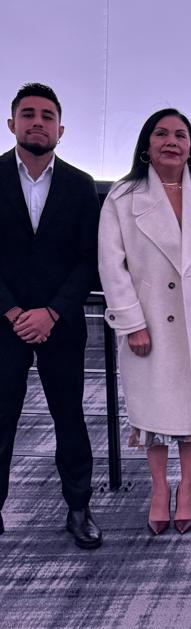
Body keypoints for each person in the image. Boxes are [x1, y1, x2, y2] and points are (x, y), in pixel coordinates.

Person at [98, 109, 191, 535]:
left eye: (181, 135)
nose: (172, 141)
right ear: (146, 144)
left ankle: (188, 486)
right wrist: (131, 323)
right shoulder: (123, 196)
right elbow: (111, 265)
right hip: (150, 326)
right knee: (153, 411)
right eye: (162, 134)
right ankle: (159, 487)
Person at [0, 83, 102, 549]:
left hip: (61, 324)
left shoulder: (80, 185)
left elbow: (88, 258)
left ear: (61, 129)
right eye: (28, 114)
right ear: (12, 124)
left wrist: (53, 312)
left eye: (47, 116)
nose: (37, 122)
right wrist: (14, 311)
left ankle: (79, 509)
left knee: (70, 418)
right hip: (4, 324)